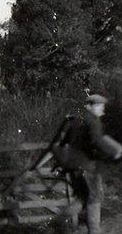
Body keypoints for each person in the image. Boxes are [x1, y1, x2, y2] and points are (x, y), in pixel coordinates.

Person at [53, 94, 122, 234]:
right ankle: (94, 231)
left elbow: (64, 142)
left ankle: (60, 221)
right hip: (87, 166)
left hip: (74, 166)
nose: (103, 109)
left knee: (83, 197)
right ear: (92, 106)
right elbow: (97, 141)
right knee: (95, 197)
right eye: (100, 106)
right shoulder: (93, 121)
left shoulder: (77, 119)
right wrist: (115, 151)